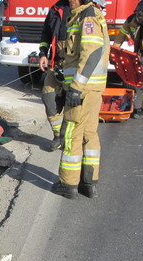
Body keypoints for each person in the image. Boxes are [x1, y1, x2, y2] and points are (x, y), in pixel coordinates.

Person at [51, 0, 108, 200]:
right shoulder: (86, 14)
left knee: (71, 134)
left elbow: (91, 54)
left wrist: (75, 88)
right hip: (91, 88)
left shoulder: (87, 16)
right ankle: (89, 183)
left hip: (83, 90)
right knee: (89, 134)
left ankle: (68, 184)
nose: (69, 1)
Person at [38, 0, 72, 150]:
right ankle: (58, 135)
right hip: (56, 63)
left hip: (74, 65)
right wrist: (43, 54)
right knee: (48, 97)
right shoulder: (55, 9)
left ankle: (70, 138)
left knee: (72, 103)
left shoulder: (86, 11)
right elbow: (46, 33)